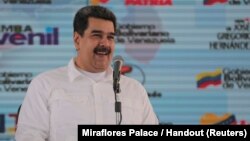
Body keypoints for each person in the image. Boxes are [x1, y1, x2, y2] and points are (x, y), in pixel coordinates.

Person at [15, 5, 158, 141]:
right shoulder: (44, 85)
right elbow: (29, 136)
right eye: (97, 35)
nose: (105, 44)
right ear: (77, 40)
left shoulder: (134, 90)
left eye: (110, 37)